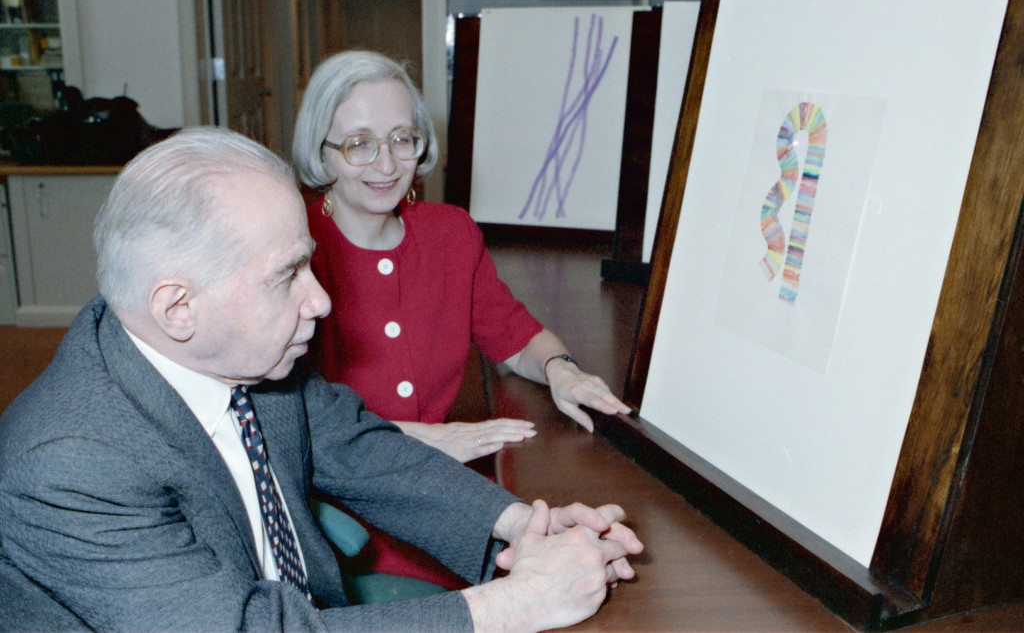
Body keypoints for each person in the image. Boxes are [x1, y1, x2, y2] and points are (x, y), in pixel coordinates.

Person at [0, 127, 643, 632]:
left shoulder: (244, 356)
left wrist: (522, 526)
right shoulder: (67, 466)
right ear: (178, 308)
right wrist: (515, 604)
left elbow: (362, 450)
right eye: (288, 276)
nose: (321, 301)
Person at [291, 51, 634, 586]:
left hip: (456, 499)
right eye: (359, 144)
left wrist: (562, 370)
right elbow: (291, 418)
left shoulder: (450, 233)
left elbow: (513, 334)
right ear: (322, 153)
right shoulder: (295, 252)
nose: (387, 164)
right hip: (349, 524)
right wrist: (418, 437)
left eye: (402, 138)